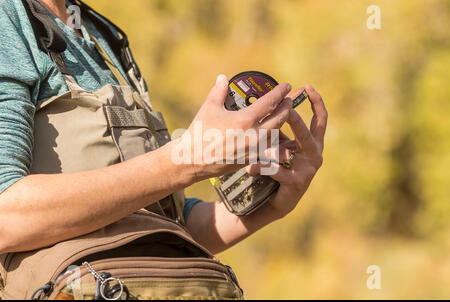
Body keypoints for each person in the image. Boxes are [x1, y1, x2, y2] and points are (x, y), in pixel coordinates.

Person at [0, 0, 326, 264]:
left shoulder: (104, 36)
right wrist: (186, 161)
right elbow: (5, 218)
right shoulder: (9, 18)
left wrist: (273, 202)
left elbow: (170, 225)